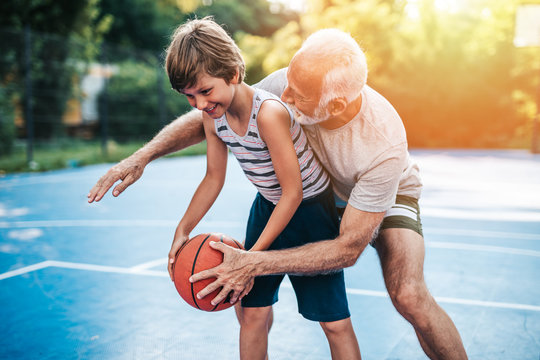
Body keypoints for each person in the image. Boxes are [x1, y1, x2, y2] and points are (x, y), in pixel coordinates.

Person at [88, 28, 468, 360]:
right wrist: (142, 156)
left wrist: (252, 261)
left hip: (374, 197)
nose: (283, 93)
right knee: (250, 310)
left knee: (408, 295)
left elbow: (347, 248)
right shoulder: (288, 86)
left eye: (296, 94)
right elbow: (211, 116)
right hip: (295, 197)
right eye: (287, 80)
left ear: (333, 105)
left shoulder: (381, 143)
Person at [157, 18, 362, 360]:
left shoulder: (267, 113)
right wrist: (183, 228)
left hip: (311, 211)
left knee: (334, 322)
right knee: (251, 313)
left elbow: (293, 192)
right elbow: (213, 177)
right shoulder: (212, 117)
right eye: (189, 96)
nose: (199, 104)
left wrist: (252, 258)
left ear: (233, 73)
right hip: (268, 206)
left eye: (205, 91)